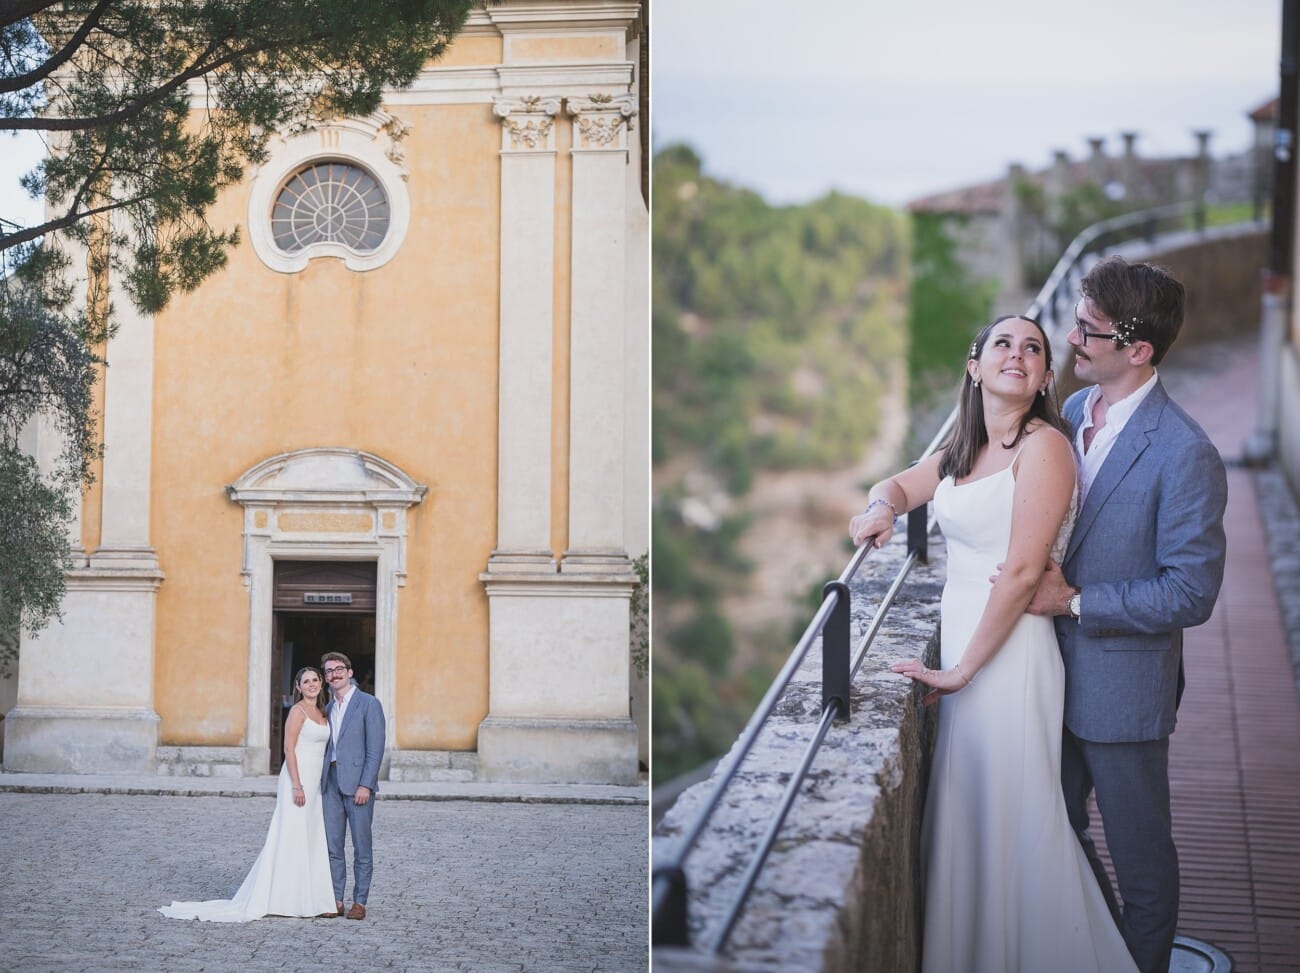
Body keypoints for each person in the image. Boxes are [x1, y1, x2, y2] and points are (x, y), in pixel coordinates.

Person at [849, 314, 1137, 972]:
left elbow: (1022, 572)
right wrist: (879, 510)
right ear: (973, 366)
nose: (1019, 352)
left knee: (1016, 819)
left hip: (1009, 660)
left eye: (1033, 347)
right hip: (969, 655)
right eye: (1003, 343)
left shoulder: (1046, 448)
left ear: (1041, 378)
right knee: (972, 817)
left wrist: (962, 670)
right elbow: (898, 484)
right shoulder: (963, 444)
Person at [1021, 257, 1227, 973]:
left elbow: (1189, 593)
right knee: (1056, 826)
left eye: (1088, 331)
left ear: (1137, 350)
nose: (1070, 339)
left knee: (1141, 857)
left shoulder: (1187, 453)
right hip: (1050, 672)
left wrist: (1073, 600)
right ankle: (1105, 948)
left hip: (1125, 690)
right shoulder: (1073, 412)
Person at [159, 666, 337, 921]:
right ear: (297, 686)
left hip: (316, 779)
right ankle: (285, 899)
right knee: (291, 834)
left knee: (311, 836)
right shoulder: (297, 712)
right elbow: (289, 749)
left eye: (315, 680)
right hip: (297, 779)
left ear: (321, 683)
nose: (311, 684)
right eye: (305, 681)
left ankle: (313, 898)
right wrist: (297, 785)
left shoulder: (323, 711)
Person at [320, 651, 386, 920]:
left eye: (338, 669)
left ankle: (360, 901)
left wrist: (366, 785)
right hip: (331, 783)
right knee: (333, 846)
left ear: (350, 672)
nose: (333, 674)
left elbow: (375, 749)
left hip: (358, 785)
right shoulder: (326, 708)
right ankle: (336, 899)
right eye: (328, 671)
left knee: (362, 846)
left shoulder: (369, 704)